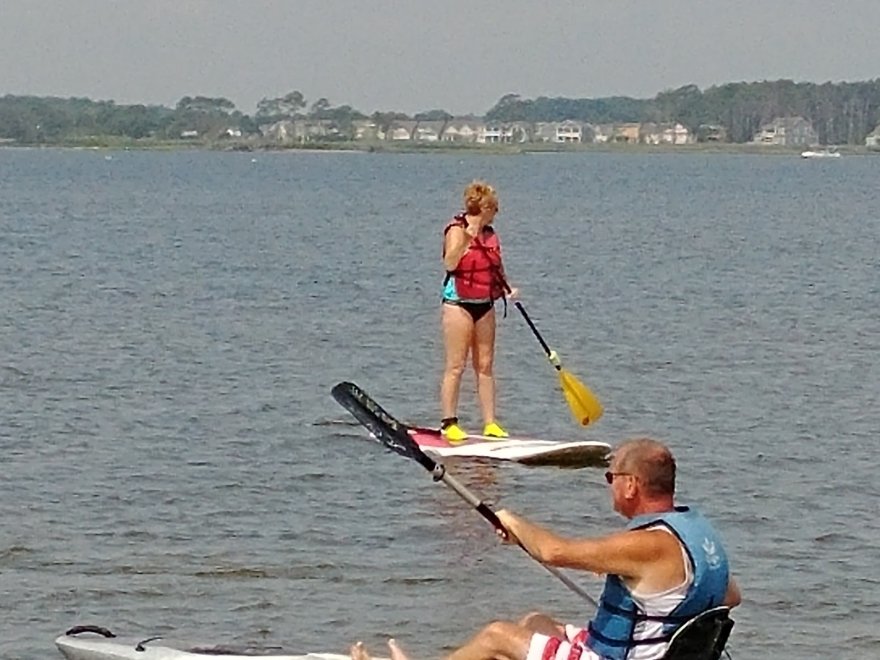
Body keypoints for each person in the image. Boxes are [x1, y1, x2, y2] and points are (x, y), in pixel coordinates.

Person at [350, 438, 741, 660]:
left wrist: (513, 520)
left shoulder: (647, 543)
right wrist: (654, 593)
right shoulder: (696, 534)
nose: (608, 484)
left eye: (611, 477)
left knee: (498, 636)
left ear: (631, 485)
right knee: (536, 622)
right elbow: (728, 595)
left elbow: (555, 552)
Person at [439, 180, 517, 443]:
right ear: (483, 208)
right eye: (494, 208)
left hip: (485, 303)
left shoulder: (491, 234)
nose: (496, 213)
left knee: (485, 365)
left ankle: (490, 423)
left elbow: (496, 265)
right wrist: (465, 241)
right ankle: (449, 422)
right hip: (458, 303)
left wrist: (507, 288)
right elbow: (449, 264)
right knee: (456, 365)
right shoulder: (456, 230)